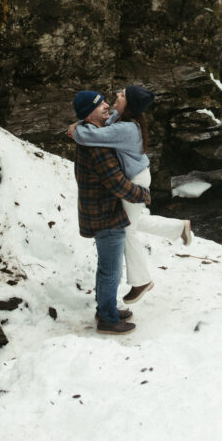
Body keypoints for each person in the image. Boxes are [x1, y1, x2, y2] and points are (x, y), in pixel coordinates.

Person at [69, 85, 192, 305]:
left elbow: (90, 135)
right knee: (133, 221)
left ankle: (141, 281)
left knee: (127, 229)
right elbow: (101, 123)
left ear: (129, 104)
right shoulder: (120, 117)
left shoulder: (125, 128)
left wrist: (77, 128)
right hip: (138, 175)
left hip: (136, 180)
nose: (116, 95)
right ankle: (178, 228)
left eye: (122, 95)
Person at [71, 89, 151, 335]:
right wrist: (143, 195)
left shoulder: (98, 135)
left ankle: (106, 308)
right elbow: (116, 182)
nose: (107, 106)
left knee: (108, 266)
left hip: (101, 209)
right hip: (105, 214)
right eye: (100, 104)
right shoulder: (98, 146)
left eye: (107, 101)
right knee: (110, 269)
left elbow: (113, 117)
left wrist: (77, 127)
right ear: (89, 113)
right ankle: (107, 317)